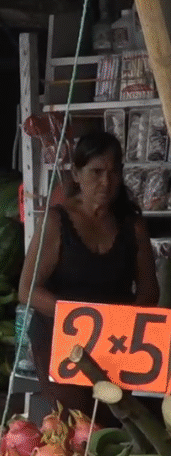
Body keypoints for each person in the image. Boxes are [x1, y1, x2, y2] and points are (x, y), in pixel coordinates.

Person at [19, 131, 159, 420]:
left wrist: (118, 322)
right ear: (76, 174)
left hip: (116, 344)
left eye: (113, 172)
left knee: (114, 423)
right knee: (76, 424)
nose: (106, 182)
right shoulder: (56, 221)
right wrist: (78, 318)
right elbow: (29, 290)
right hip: (62, 343)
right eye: (96, 172)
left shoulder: (132, 226)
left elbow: (149, 290)